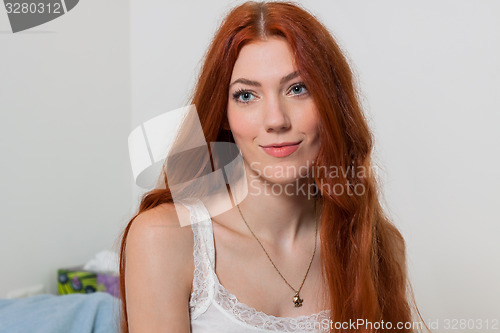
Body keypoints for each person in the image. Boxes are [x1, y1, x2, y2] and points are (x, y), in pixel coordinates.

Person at [118, 1, 426, 332]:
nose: (276, 120)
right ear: (224, 114)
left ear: (331, 103)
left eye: (298, 88)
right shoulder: (163, 238)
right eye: (246, 96)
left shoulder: (377, 244)